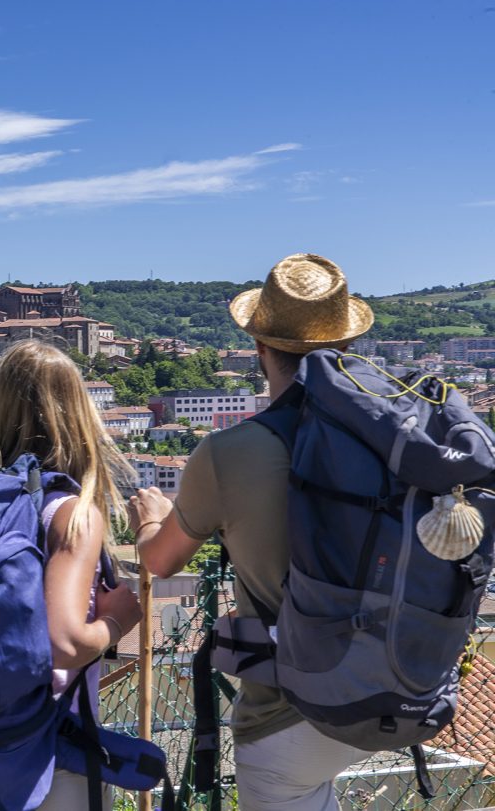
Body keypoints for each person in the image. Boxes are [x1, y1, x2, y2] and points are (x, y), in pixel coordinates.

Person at [129, 253, 374, 810]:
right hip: (397, 683)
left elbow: (160, 561)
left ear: (261, 351)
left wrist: (147, 518)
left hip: (290, 708)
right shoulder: (395, 437)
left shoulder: (230, 453)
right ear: (345, 348)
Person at [0, 339, 143, 808]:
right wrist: (117, 621)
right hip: (44, 756)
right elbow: (64, 645)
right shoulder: (70, 513)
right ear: (77, 415)